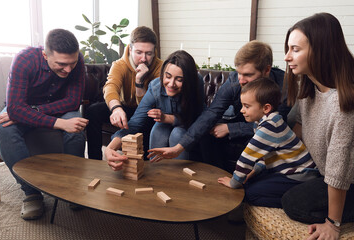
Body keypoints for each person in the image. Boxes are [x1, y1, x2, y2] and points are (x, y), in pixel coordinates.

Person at [148, 41, 291, 172]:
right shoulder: (235, 80)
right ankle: (215, 175)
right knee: (207, 133)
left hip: (264, 130)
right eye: (239, 73)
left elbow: (278, 125)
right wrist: (178, 148)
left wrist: (230, 128)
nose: (241, 80)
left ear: (266, 70)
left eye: (247, 75)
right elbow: (211, 114)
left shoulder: (284, 87)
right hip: (238, 118)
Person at [0, 29, 88, 220]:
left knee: (76, 127)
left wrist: (35, 111)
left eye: (72, 64)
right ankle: (31, 193)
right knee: (4, 129)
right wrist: (59, 123)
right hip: (26, 106)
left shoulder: (76, 61)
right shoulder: (24, 60)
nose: (68, 70)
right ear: (45, 55)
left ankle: (72, 185)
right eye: (61, 64)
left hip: (56, 107)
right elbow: (15, 108)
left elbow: (72, 102)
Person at [280, 13, 354, 240]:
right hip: (318, 172)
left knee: (292, 203)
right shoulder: (308, 87)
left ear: (320, 50)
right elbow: (298, 131)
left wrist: (333, 223)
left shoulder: (343, 103)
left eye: (295, 49)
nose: (286, 57)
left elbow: (339, 168)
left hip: (346, 181)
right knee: (256, 191)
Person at [218, 77, 317, 207]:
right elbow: (264, 157)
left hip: (299, 176)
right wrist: (249, 175)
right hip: (285, 171)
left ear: (266, 108)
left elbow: (246, 158)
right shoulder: (264, 121)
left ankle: (296, 202)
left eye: (246, 106)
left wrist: (234, 182)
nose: (242, 110)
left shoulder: (270, 126)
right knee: (248, 182)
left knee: (249, 194)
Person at [105, 50, 204, 169]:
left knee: (177, 134)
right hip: (162, 126)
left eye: (179, 80)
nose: (171, 84)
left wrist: (168, 118)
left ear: (188, 80)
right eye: (167, 76)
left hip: (187, 126)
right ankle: (156, 173)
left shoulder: (196, 82)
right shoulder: (155, 86)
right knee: (158, 129)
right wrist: (110, 147)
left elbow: (198, 117)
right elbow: (136, 122)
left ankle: (179, 180)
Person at [85, 26, 163, 160]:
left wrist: (139, 82)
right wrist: (116, 109)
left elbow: (149, 104)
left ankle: (143, 163)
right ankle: (95, 160)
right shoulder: (119, 64)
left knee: (150, 117)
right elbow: (110, 87)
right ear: (130, 49)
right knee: (93, 111)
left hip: (147, 111)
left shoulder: (160, 68)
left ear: (154, 52)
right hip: (124, 107)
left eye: (148, 53)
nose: (143, 58)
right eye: (139, 52)